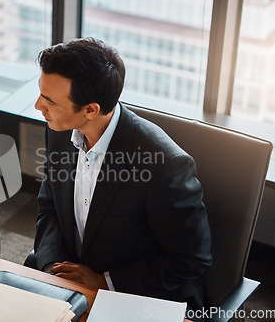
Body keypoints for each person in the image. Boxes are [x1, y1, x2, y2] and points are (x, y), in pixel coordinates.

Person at [33, 37, 212, 315]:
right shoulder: (59, 130)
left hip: (141, 298)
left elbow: (189, 261)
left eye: (49, 101)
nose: (37, 106)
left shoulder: (164, 164)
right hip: (71, 288)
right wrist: (53, 268)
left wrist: (105, 282)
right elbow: (49, 208)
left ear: (91, 109)